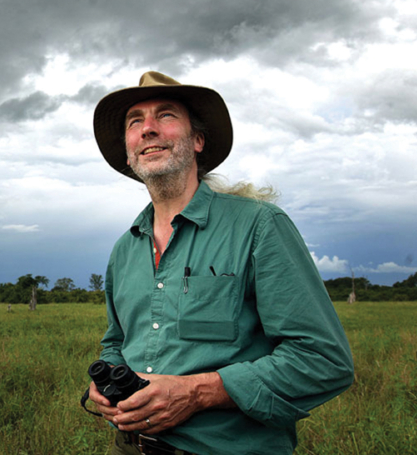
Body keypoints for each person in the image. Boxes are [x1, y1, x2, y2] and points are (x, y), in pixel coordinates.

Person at [86, 71, 354, 455]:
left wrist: (196, 392)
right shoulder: (124, 249)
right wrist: (106, 375)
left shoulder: (259, 225)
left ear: (197, 140)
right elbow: (116, 341)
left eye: (165, 116)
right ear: (129, 151)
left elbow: (324, 359)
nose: (147, 129)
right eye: (135, 121)